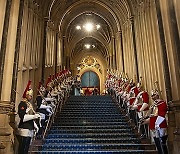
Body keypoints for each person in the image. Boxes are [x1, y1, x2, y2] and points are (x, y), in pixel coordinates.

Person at [17, 80, 41, 154]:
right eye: (30, 95)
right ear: (26, 95)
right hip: (24, 127)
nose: (31, 97)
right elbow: (23, 117)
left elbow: (30, 117)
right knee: (23, 147)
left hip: (30, 127)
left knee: (27, 147)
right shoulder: (22, 104)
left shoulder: (29, 104)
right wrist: (34, 116)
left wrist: (35, 125)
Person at [143, 90, 168, 154]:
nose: (153, 97)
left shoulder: (162, 103)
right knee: (157, 142)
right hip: (154, 125)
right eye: (152, 96)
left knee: (162, 142)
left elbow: (162, 115)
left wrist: (157, 124)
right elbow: (152, 115)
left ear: (157, 95)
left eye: (154, 95)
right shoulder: (154, 104)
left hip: (160, 124)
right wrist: (146, 120)